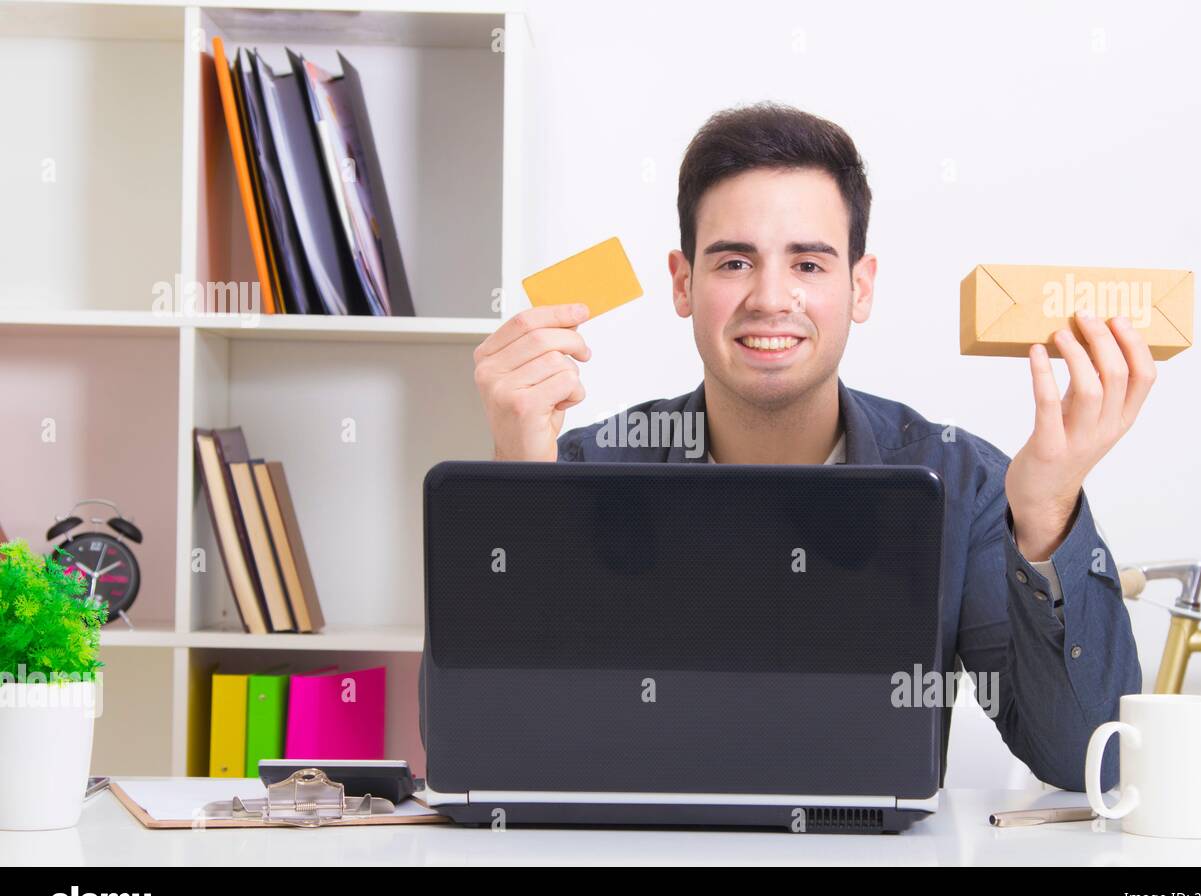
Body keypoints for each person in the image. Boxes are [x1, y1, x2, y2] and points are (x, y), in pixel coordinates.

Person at [471, 101, 1150, 791]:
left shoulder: (964, 483)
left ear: (860, 286)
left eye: (809, 264)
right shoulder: (578, 475)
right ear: (683, 282)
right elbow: (490, 745)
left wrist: (1046, 515)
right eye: (735, 261)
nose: (771, 298)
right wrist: (517, 498)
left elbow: (1088, 759)